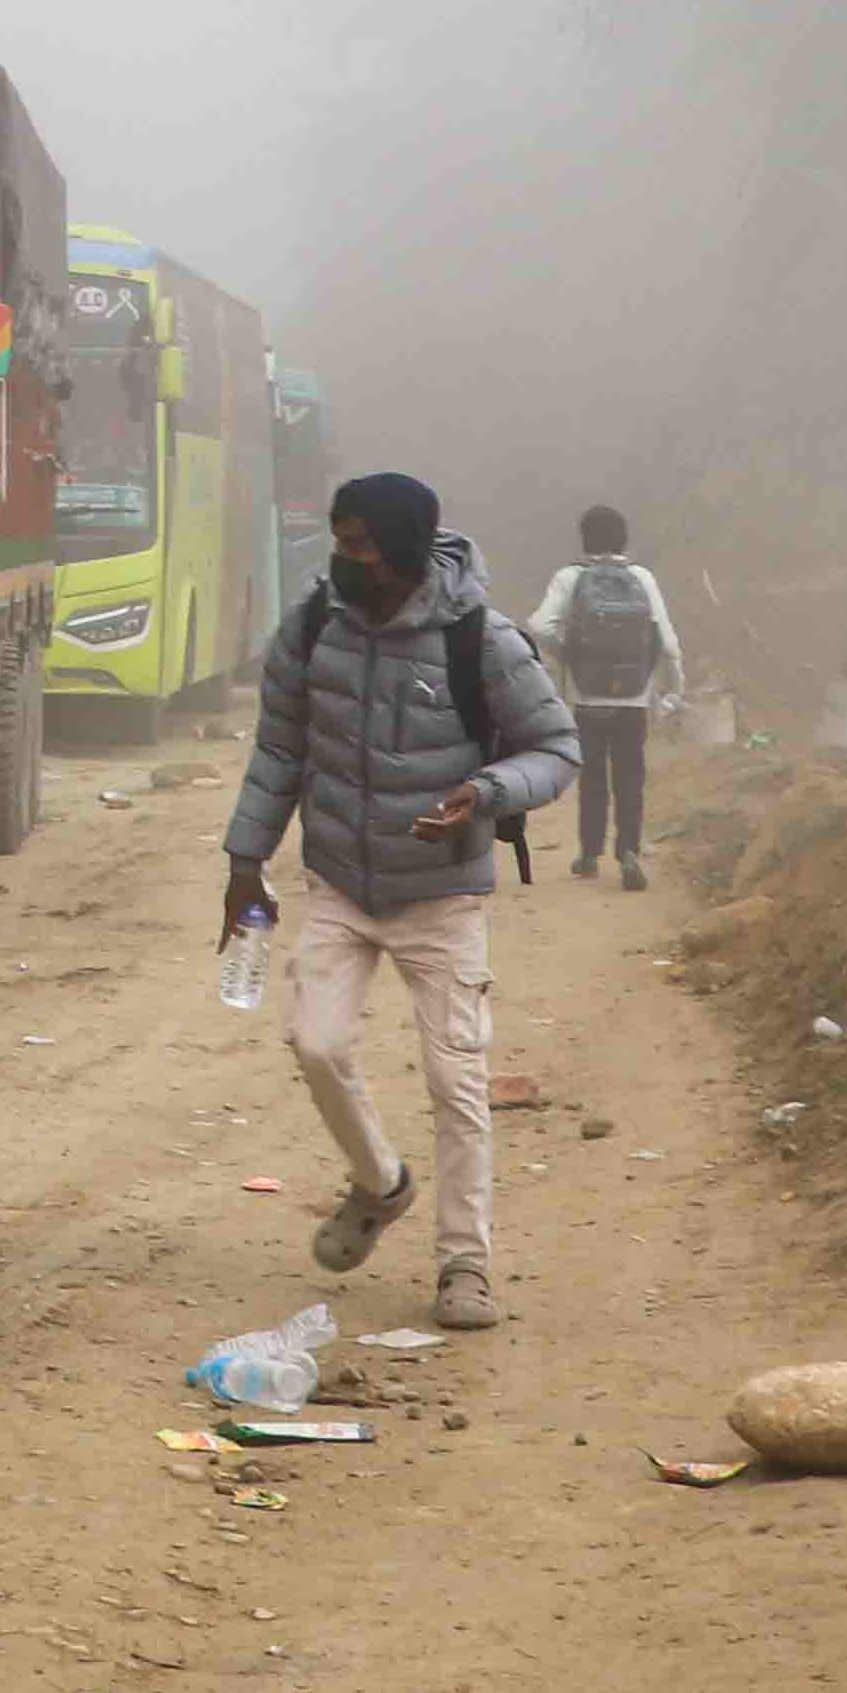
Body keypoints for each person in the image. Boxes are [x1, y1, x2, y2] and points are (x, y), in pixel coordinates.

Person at [220, 469, 575, 1331]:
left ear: (405, 548)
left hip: (442, 898)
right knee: (314, 1043)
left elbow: (556, 748)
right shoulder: (313, 625)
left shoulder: (482, 639)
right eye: (340, 542)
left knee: (457, 1084)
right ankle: (381, 1185)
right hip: (340, 883)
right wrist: (244, 861)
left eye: (360, 545)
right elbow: (279, 751)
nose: (345, 560)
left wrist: (484, 793)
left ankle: (465, 1266)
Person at [533, 503, 689, 887]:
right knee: (630, 777)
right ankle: (629, 851)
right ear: (624, 539)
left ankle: (589, 855)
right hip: (634, 700)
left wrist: (568, 653)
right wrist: (674, 690)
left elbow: (538, 625)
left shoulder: (571, 577)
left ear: (584, 539)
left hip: (586, 699)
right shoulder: (641, 577)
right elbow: (668, 642)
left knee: (592, 779)